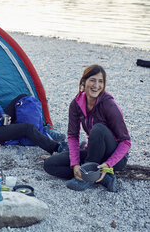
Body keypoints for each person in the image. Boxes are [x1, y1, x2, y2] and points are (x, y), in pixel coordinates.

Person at [0, 53, 67, 155]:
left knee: (22, 97)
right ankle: (56, 148)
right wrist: (1, 122)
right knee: (28, 128)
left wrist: (3, 115)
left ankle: (42, 129)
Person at [43, 64, 130, 192]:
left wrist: (108, 164)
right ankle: (103, 178)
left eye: (101, 81)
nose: (96, 85)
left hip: (115, 157)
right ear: (84, 82)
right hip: (94, 151)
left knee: (98, 129)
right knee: (50, 165)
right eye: (92, 80)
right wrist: (75, 164)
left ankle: (87, 177)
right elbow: (73, 136)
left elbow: (126, 142)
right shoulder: (76, 104)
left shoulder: (108, 105)